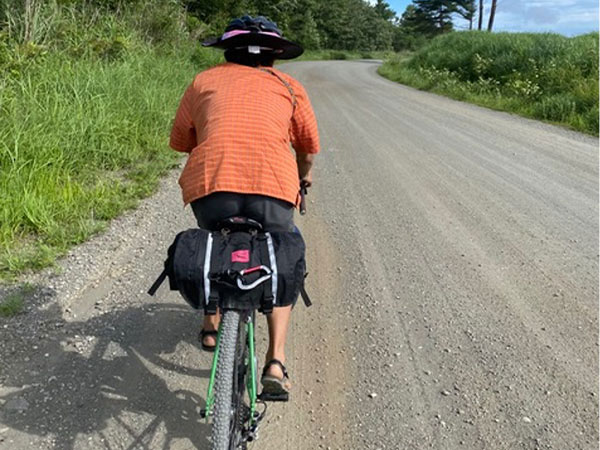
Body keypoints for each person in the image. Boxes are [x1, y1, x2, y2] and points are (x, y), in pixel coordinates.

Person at [169, 16, 320, 395]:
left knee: (212, 241)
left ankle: (210, 327)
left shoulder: (203, 81)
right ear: (274, 56)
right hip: (274, 184)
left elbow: (181, 140)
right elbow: (307, 148)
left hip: (212, 183)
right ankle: (276, 360)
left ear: (227, 52)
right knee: (280, 255)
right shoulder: (290, 86)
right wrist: (303, 180)